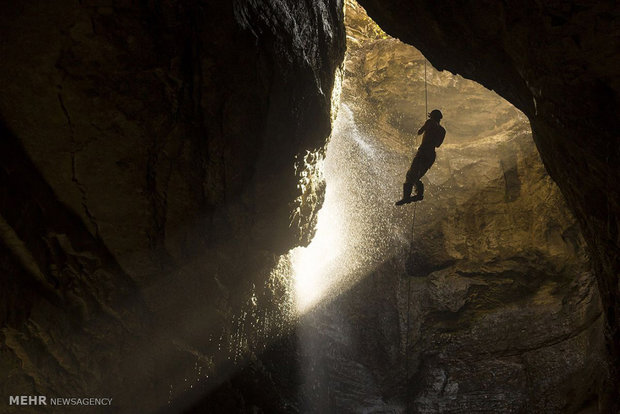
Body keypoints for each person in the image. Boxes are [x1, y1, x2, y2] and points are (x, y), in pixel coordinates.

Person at [395, 109, 445, 205]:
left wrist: (426, 127)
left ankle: (407, 197)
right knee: (417, 176)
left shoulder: (430, 122)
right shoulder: (443, 130)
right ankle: (419, 194)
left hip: (423, 152)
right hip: (431, 155)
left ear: (432, 117)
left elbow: (419, 132)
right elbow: (438, 145)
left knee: (410, 175)